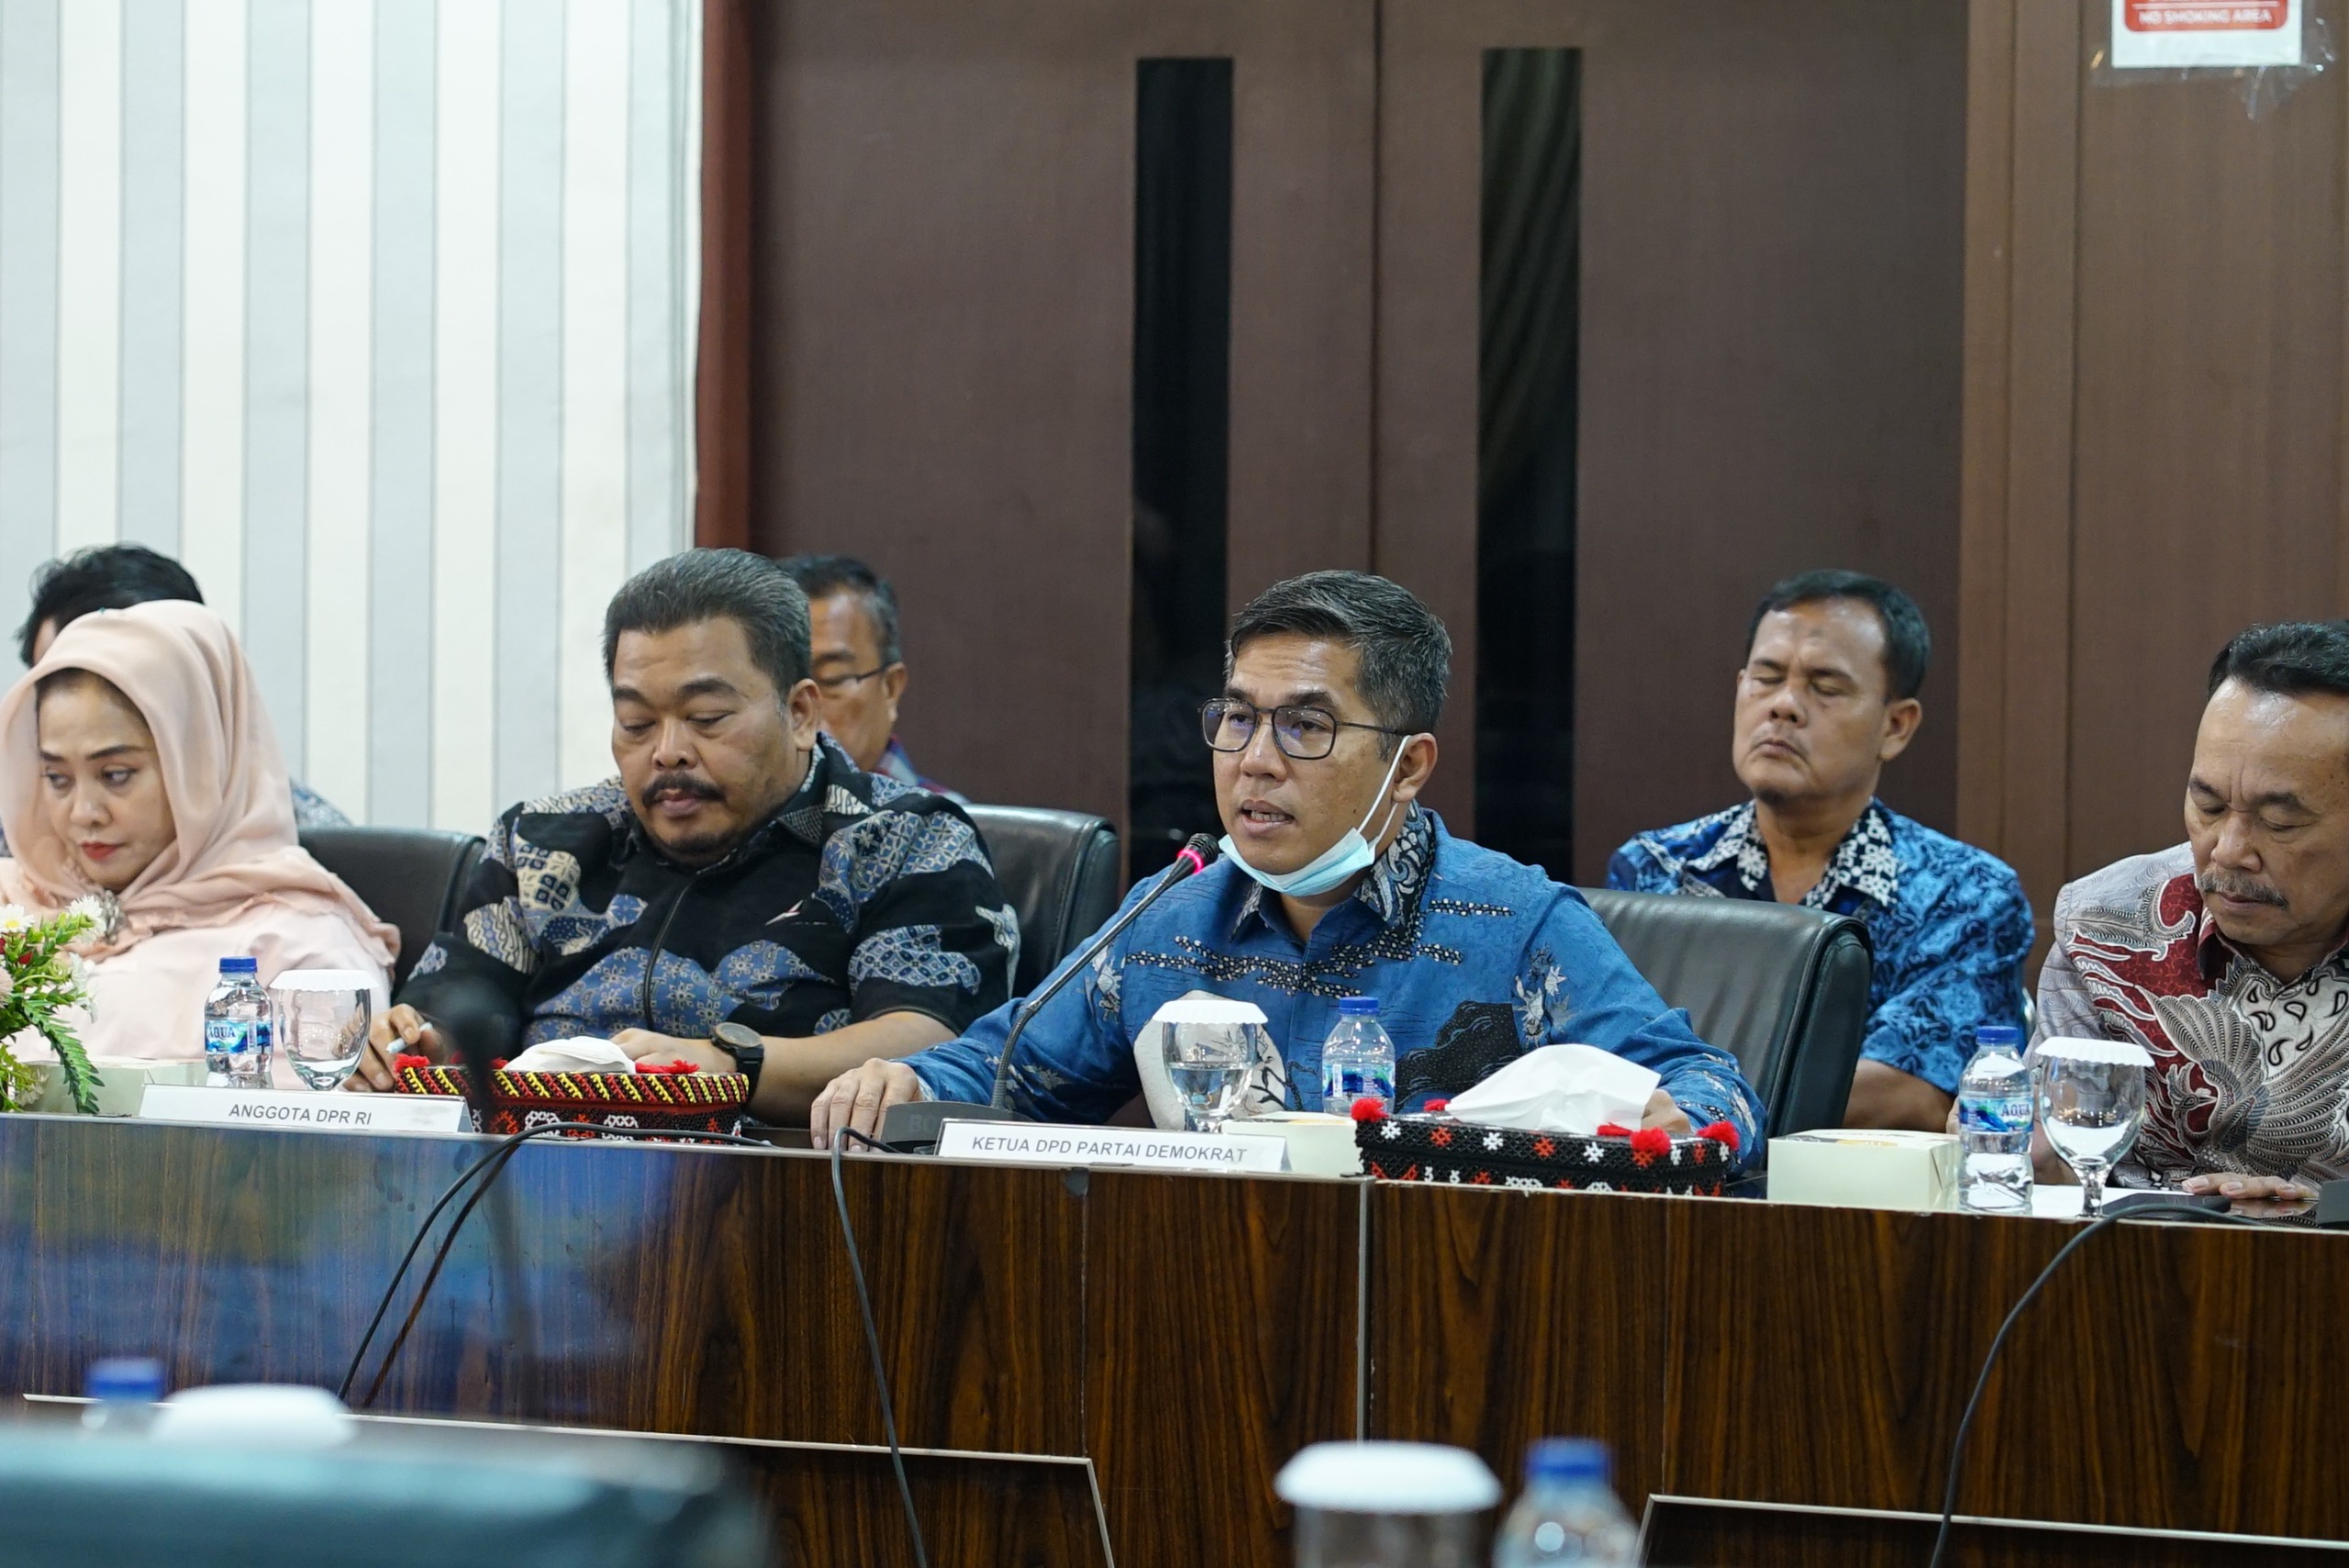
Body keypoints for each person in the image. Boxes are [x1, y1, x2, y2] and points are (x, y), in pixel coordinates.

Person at [811, 570, 1764, 1152]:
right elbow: (1004, 1068)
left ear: (1408, 766)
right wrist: (911, 1082)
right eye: (1236, 718)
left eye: (1306, 725)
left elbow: (1713, 1093)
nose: (1254, 760)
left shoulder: (1514, 923)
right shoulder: (1171, 917)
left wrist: (1674, 1119)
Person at [346, 549, 1016, 1125]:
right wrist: (419, 1041)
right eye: (637, 724)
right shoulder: (544, 843)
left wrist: (733, 1064)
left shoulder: (903, 838)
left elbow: (928, 1036)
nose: (667, 751)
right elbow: (461, 1001)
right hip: (533, 1178)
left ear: (800, 712)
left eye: (707, 717)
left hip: (782, 1189)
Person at [1608, 571, 2031, 1132]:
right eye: (1766, 678)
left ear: (1896, 726)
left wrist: (1705, 1103)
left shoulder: (1965, 894)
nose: (1783, 706)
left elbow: (1917, 1094)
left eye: (1826, 687)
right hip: (1677, 1175)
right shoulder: (1656, 869)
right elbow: (1609, 1053)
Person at [0, 601, 395, 1074]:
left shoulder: (300, 944)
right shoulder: (16, 906)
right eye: (57, 778)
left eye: (116, 774)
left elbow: (322, 1115)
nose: (84, 813)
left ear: (201, 766)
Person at [2033, 620, 2349, 1202]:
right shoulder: (2106, 925)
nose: (2228, 852)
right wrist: (2025, 1157)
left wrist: (2319, 1216)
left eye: (2279, 822)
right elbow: (2053, 1155)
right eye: (2209, 806)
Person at [14, 543, 348, 829]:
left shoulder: (306, 844)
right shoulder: (18, 836)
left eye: (116, 774)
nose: (83, 813)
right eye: (53, 684)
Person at [776, 553, 963, 801]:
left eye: (833, 678)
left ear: (891, 688)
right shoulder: (736, 820)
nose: (802, 710)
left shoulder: (948, 822)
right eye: (781, 684)